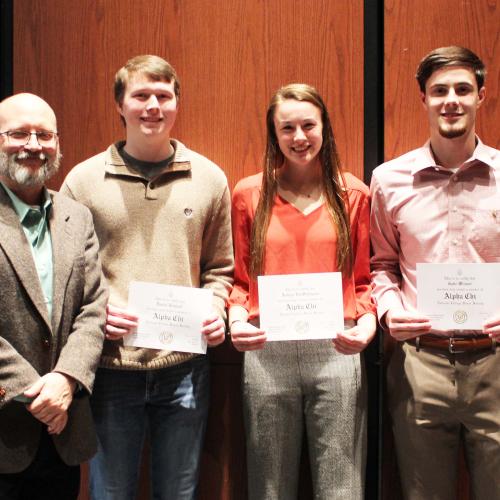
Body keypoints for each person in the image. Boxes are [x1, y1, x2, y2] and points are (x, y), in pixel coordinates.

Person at [61, 55, 233, 500]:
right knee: (110, 492)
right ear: (120, 105)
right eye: (141, 95)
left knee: (179, 493)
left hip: (185, 369)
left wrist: (216, 308)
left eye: (163, 95)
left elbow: (220, 270)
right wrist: (97, 314)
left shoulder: (210, 179)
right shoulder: (82, 181)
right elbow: (64, 275)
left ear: (177, 104)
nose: (153, 106)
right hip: (111, 368)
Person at [228, 83, 376, 500]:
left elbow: (363, 280)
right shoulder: (248, 194)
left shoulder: (353, 194)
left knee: (341, 486)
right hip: (266, 351)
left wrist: (366, 326)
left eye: (308, 125)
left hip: (336, 350)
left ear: (324, 128)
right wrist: (235, 321)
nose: (298, 137)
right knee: (268, 485)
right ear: (273, 133)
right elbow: (241, 281)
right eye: (286, 127)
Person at [370, 46, 500, 499]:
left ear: (481, 96)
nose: (452, 100)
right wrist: (388, 312)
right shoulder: (389, 179)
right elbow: (381, 266)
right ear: (423, 98)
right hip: (419, 366)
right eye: (439, 90)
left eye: (463, 89)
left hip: (496, 362)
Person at [0, 93, 107, 499]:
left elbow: (93, 307)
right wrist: (34, 392)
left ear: (58, 144)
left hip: (63, 432)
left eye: (44, 135)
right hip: (6, 424)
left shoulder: (75, 217)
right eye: (18, 133)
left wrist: (66, 379)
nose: (33, 145)